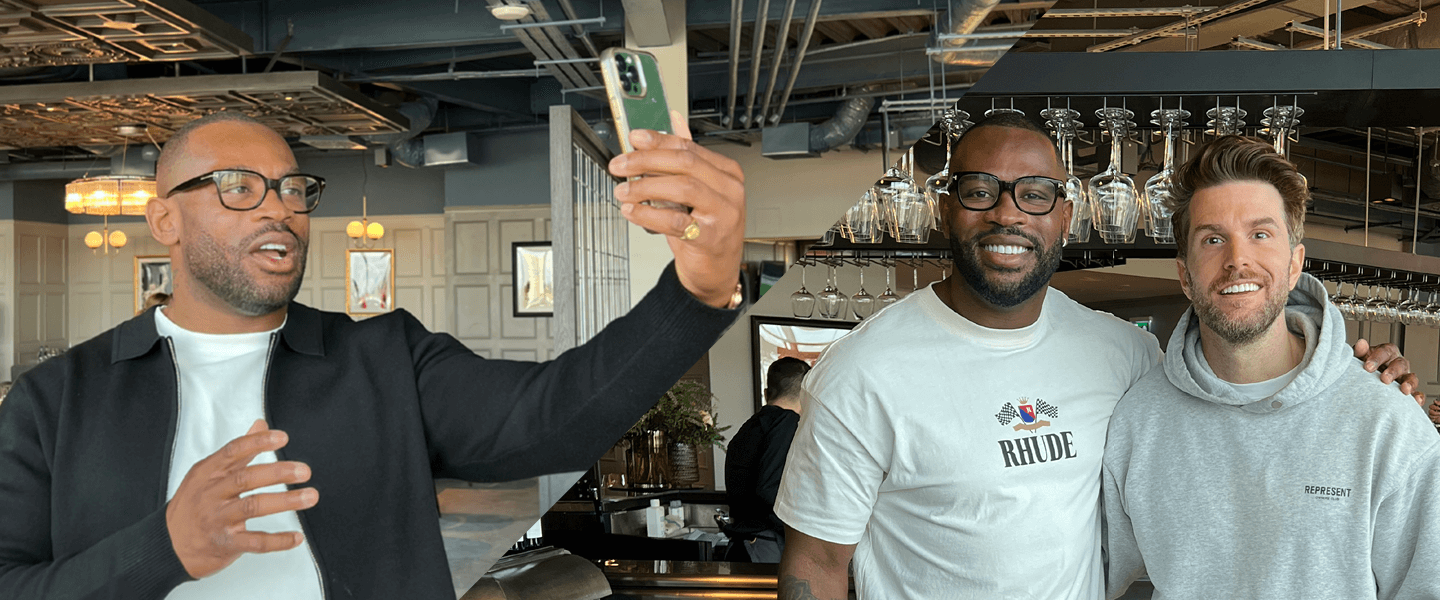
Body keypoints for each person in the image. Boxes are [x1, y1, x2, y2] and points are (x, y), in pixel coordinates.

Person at [0, 110, 746, 599]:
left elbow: (554, 420)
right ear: (164, 218)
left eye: (295, 188)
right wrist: (163, 547)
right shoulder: (53, 400)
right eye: (237, 188)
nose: (279, 207)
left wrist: (700, 287)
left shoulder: (383, 358)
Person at [771, 114, 1424, 600]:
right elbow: (817, 568)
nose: (1007, 213)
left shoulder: (1126, 358)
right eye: (979, 190)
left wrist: (1357, 384)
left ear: (1064, 214)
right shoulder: (863, 371)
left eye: (1033, 193)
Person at [1102, 136, 1440, 599]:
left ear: (1295, 264)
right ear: (1184, 275)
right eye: (1213, 239)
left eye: (1260, 234)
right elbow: (1084, 573)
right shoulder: (1138, 420)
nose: (1238, 260)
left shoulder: (1389, 424)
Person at [723, 356, 811, 564]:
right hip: (766, 545)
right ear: (806, 393)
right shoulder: (787, 423)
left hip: (741, 544)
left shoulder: (749, 427)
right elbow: (769, 491)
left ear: (766, 392)